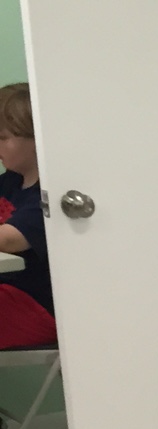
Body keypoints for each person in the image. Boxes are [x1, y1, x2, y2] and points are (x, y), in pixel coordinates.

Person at [0, 84, 56, 368]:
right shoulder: (9, 182)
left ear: (35, 139)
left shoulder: (49, 194)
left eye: (3, 138)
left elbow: (9, 240)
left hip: (36, 307)